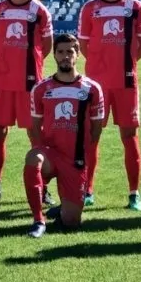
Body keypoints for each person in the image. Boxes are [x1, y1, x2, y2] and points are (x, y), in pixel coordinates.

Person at [77, 0, 141, 211]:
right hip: (95, 86)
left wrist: (124, 63)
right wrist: (100, 65)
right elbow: (84, 45)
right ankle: (87, 189)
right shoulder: (89, 8)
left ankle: (134, 194)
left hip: (126, 82)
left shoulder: (137, 7)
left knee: (130, 136)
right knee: (91, 136)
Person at [0, 0, 54, 204]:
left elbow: (46, 46)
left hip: (30, 85)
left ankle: (43, 188)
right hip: (1, 82)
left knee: (36, 134)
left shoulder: (39, 11)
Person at [23, 34, 104, 238]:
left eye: (70, 51)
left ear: (78, 55)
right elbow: (34, 127)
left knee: (71, 222)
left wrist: (80, 152)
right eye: (61, 52)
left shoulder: (92, 89)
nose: (65, 56)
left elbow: (96, 129)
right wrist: (42, 150)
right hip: (51, 154)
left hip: (75, 159)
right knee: (33, 158)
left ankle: (63, 209)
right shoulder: (41, 88)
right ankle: (38, 220)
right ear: (55, 55)